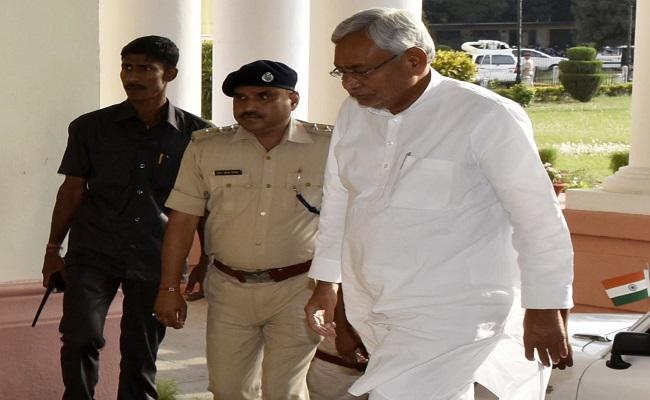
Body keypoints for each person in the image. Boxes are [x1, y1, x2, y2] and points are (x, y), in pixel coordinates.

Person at [304, 8, 574, 400]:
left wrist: (545, 306)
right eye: (341, 72)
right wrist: (328, 283)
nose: (349, 84)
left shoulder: (486, 115)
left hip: (455, 310)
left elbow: (537, 217)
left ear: (414, 60)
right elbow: (340, 200)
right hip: (375, 304)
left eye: (361, 71)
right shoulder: (354, 114)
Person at [41, 35, 212, 400]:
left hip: (157, 256)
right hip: (93, 251)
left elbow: (203, 207)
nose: (132, 77)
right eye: (127, 67)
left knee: (141, 352)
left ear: (170, 73)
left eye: (145, 68)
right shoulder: (90, 128)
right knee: (79, 337)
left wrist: (206, 260)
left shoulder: (199, 136)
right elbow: (72, 190)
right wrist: (53, 249)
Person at [153, 60, 330, 400]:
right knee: (228, 389)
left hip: (298, 288)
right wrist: (169, 287)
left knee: (284, 392)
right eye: (241, 98)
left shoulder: (327, 147)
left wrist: (331, 287)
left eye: (265, 96)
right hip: (229, 288)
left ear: (292, 100)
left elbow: (349, 220)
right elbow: (182, 220)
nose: (249, 106)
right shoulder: (207, 148)